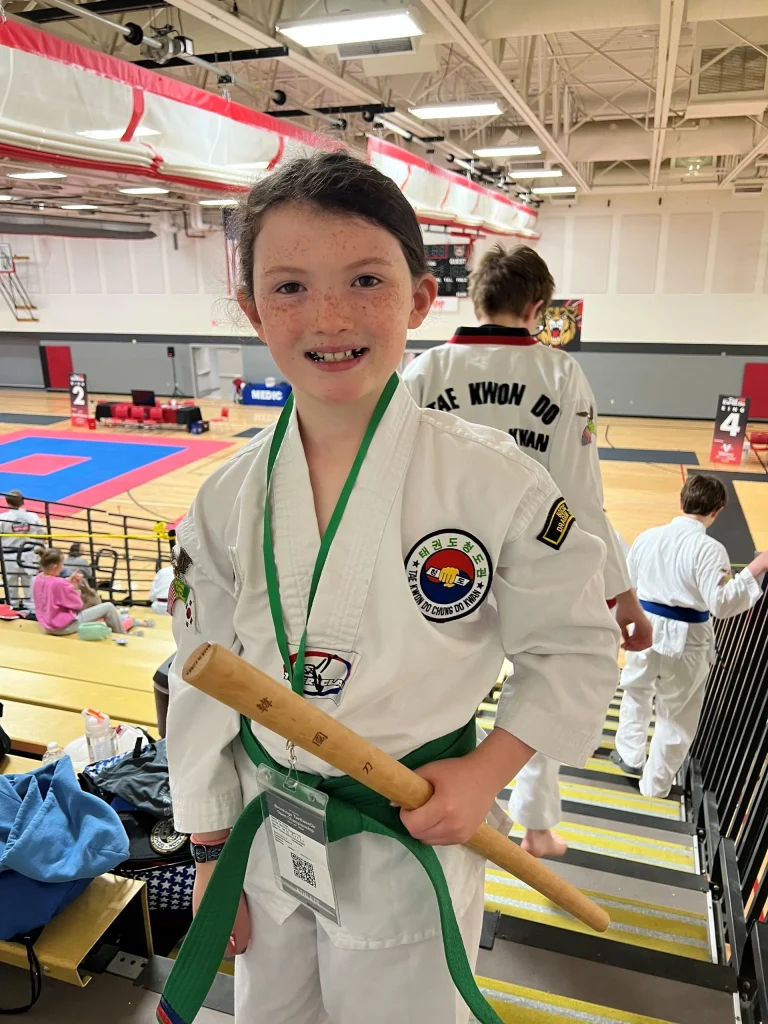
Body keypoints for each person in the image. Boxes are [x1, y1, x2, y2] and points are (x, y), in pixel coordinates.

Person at [160, 151, 621, 1024]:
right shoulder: (225, 498)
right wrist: (213, 844)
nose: (329, 316)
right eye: (289, 287)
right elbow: (199, 674)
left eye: (365, 279)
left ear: (418, 296)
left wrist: (487, 774)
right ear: (253, 311)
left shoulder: (498, 486)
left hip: (412, 833)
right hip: (271, 831)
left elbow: (574, 647)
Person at [402, 245, 652, 858]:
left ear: (475, 298)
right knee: (541, 687)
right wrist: (621, 595)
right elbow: (583, 499)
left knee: (439, 695)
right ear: (537, 308)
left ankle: (445, 809)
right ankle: (535, 822)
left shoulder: (425, 370)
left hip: (439, 565)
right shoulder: (561, 375)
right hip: (537, 564)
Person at [612, 474, 768, 798]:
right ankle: (654, 787)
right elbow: (722, 604)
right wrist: (756, 568)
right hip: (688, 639)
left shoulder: (648, 537)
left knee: (636, 692)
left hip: (643, 626)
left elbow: (627, 584)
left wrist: (624, 625)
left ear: (681, 501)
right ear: (718, 510)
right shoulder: (710, 550)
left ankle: (629, 755)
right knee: (677, 712)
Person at [33, 548, 126, 635]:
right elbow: (78, 605)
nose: (62, 567)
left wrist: (67, 581)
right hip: (62, 627)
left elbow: (52, 586)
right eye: (62, 564)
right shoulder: (60, 584)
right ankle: (122, 636)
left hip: (46, 625)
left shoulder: (38, 578)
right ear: (55, 566)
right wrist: (74, 588)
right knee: (109, 607)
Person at [0, 490, 45, 609]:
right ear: (22, 501)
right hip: (29, 553)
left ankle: (12, 606)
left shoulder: (2, 518)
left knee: (10, 583)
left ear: (7, 502)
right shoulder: (32, 516)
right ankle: (30, 607)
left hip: (9, 555)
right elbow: (41, 534)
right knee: (29, 582)